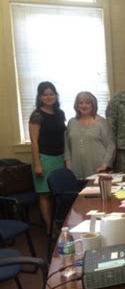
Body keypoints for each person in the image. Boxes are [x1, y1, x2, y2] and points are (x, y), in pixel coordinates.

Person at [29, 81, 66, 233]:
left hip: (59, 157)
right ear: (39, 97)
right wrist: (38, 164)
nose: (49, 97)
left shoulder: (60, 113)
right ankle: (50, 228)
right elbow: (34, 142)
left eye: (51, 94)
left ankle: (59, 223)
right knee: (45, 194)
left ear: (56, 95)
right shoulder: (37, 115)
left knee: (58, 193)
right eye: (45, 94)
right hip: (44, 158)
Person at [64, 91, 115, 181]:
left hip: (98, 170)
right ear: (77, 105)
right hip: (76, 171)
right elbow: (67, 147)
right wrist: (69, 166)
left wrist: (105, 165)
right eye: (81, 103)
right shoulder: (71, 122)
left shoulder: (102, 122)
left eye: (87, 103)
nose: (84, 106)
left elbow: (111, 146)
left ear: (93, 105)